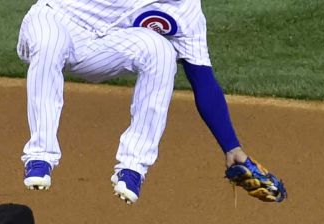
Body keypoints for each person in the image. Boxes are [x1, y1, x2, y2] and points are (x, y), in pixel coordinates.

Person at [17, 0, 286, 204]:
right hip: (55, 20)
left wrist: (231, 147)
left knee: (161, 51)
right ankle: (40, 157)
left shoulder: (186, 11)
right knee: (50, 43)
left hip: (103, 47)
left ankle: (132, 168)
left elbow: (202, 79)